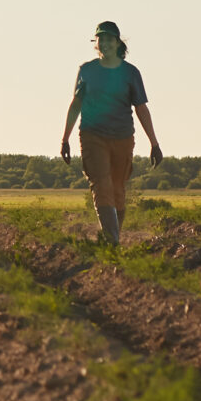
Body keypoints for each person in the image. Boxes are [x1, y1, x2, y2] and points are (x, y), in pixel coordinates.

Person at [61, 20, 163, 244]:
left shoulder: (131, 73)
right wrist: (65, 139)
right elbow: (76, 104)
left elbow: (141, 108)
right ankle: (112, 241)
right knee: (102, 184)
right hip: (92, 135)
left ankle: (112, 238)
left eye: (110, 39)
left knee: (118, 188)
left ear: (118, 43)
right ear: (95, 43)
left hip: (122, 137)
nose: (105, 43)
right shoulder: (86, 71)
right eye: (101, 39)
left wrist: (154, 143)